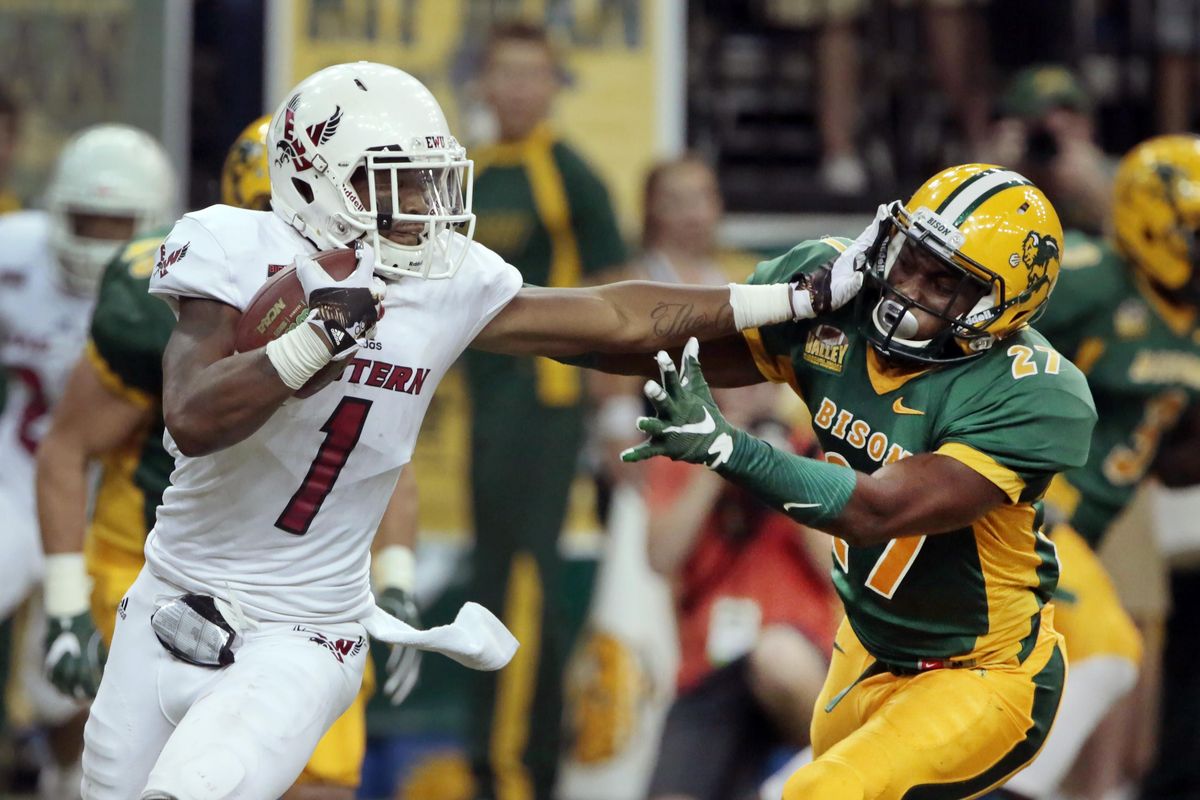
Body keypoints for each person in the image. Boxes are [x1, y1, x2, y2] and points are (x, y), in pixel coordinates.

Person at [78, 61, 817, 800]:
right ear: (314, 180)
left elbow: (615, 318)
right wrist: (307, 346)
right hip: (169, 597)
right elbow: (192, 417)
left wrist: (783, 299)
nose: (416, 204)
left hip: (304, 629)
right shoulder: (230, 244)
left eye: (424, 178)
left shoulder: (447, 278)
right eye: (391, 181)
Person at [600, 163, 1096, 798]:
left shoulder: (1030, 392)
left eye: (943, 281)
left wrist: (731, 447)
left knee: (818, 792)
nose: (906, 288)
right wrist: (491, 316)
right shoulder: (837, 299)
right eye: (912, 257)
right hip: (864, 654)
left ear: (997, 308)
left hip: (979, 671)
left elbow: (876, 512)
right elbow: (629, 331)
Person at [35, 116, 419, 800]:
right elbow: (67, 445)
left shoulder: (385, 293)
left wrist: (396, 577)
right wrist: (66, 603)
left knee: (321, 783)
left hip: (302, 588)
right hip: (162, 566)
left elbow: (382, 450)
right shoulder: (174, 296)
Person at [1003, 135, 1200, 799]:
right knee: (1104, 660)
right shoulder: (1087, 279)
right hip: (1021, 514)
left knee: (1107, 685)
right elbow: (970, 349)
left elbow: (1167, 457)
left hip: (1086, 526)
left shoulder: (1189, 318)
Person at [463, 20, 629, 800]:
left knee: (527, 585)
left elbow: (618, 295)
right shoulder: (470, 174)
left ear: (552, 85)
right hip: (486, 413)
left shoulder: (569, 175)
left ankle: (523, 770)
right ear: (486, 85)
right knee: (487, 580)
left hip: (547, 409)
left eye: (536, 74)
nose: (521, 89)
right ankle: (489, 763)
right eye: (508, 73)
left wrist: (610, 412)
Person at [0, 123, 175, 799]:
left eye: (117, 222)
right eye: (86, 219)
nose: (100, 237)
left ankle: (66, 774)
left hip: (119, 502)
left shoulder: (184, 278)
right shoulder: (14, 254)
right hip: (20, 478)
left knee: (82, 681)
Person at [644, 382, 836, 800]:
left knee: (777, 656)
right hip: (709, 672)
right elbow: (660, 557)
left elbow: (843, 571)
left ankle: (845, 771)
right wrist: (719, 460)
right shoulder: (678, 454)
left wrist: (781, 471)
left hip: (800, 663)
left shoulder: (814, 452)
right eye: (732, 380)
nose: (747, 391)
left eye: (758, 381)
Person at [985, 64, 1115, 237]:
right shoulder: (993, 176)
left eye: (1069, 124)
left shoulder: (1125, 179)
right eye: (1041, 129)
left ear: (1090, 125)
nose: (1056, 134)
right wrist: (993, 177)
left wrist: (1103, 200)